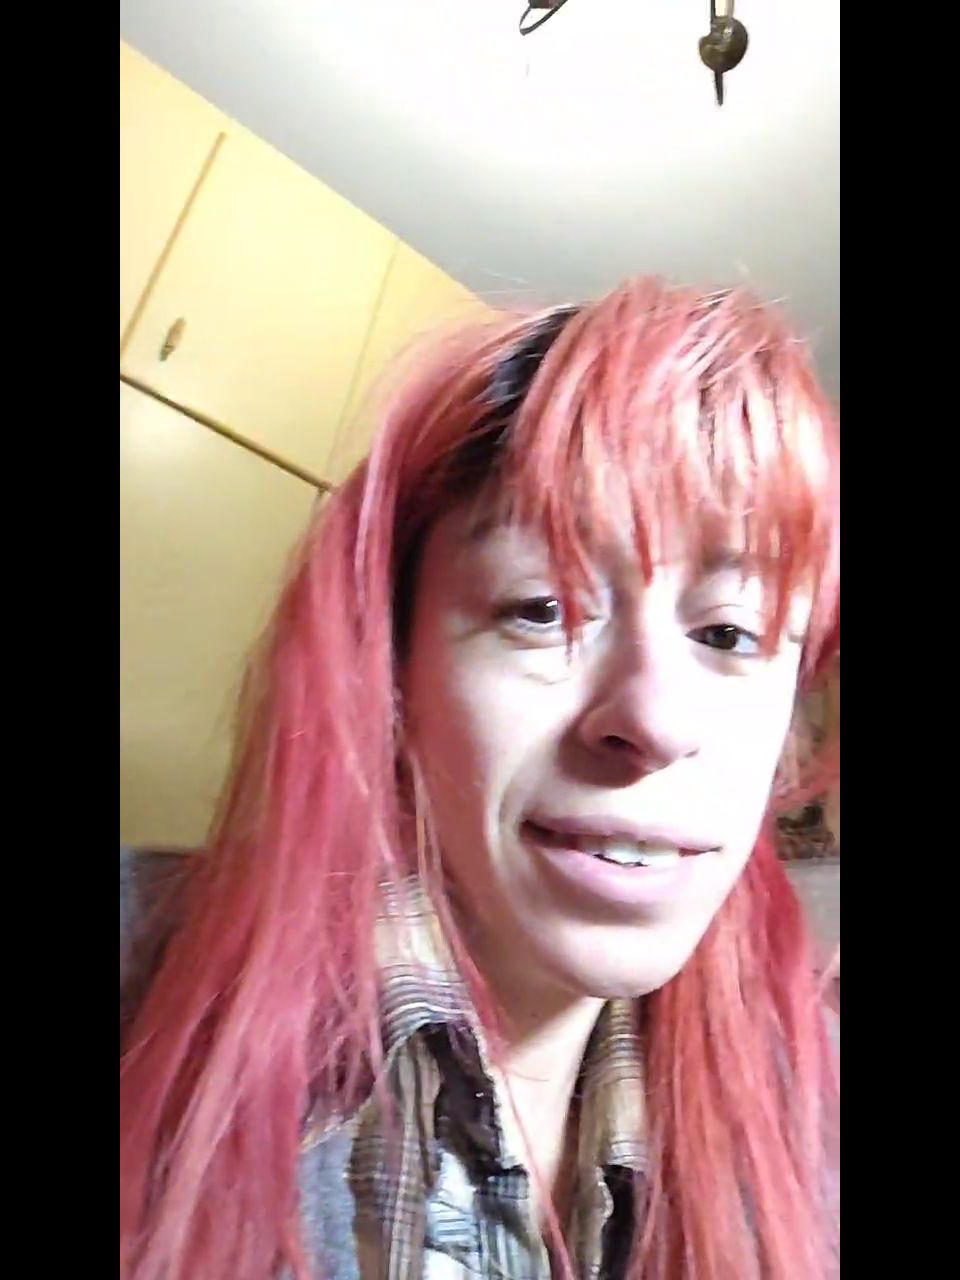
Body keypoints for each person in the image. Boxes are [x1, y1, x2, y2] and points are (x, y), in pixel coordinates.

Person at [120, 277, 840, 1280]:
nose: (654, 721)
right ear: (390, 663)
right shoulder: (141, 976)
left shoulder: (814, 1107)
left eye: (729, 632)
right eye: (542, 608)